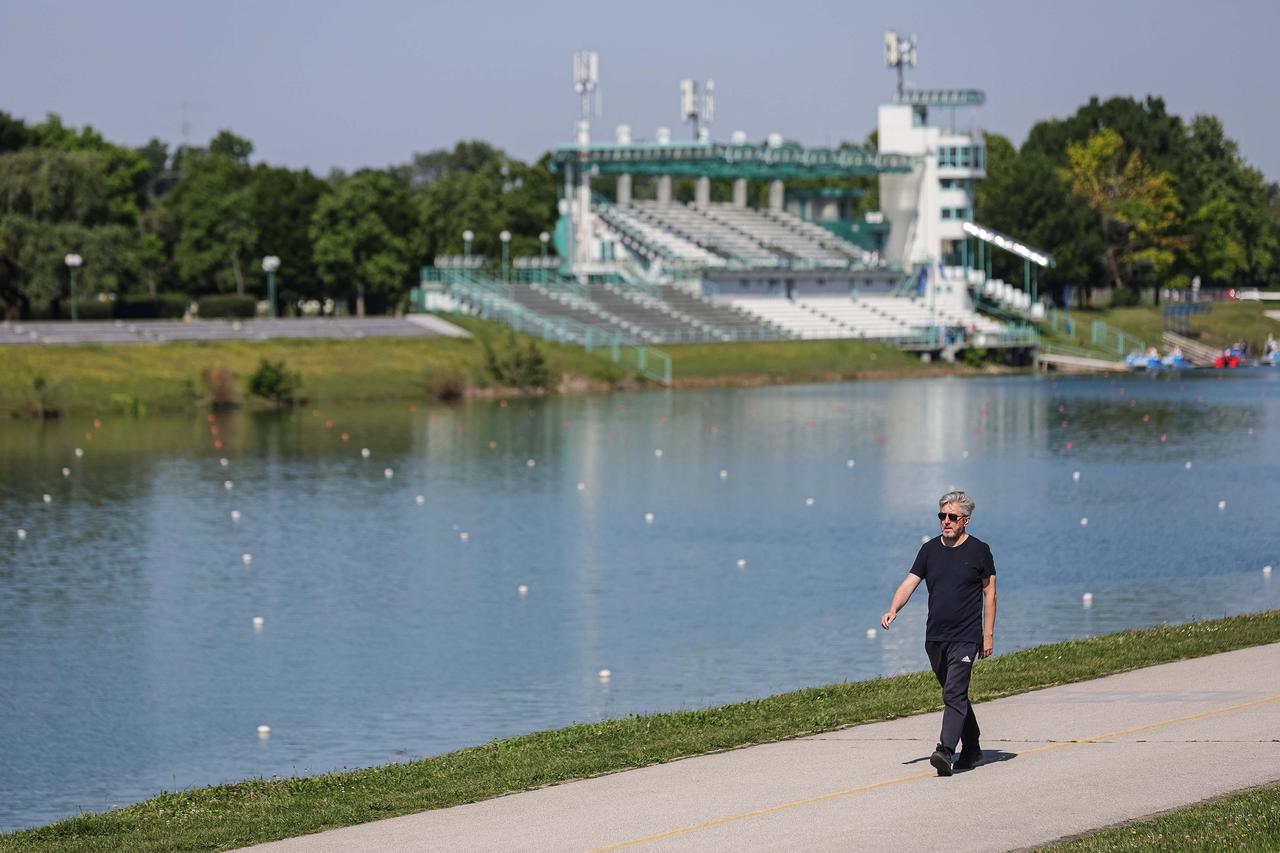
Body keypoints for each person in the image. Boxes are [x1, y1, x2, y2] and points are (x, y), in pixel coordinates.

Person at [880, 491, 997, 776]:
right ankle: (972, 746)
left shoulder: (979, 550)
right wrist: (894, 608)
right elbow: (910, 582)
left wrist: (987, 635)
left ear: (965, 521)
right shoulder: (929, 550)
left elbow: (990, 593)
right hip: (935, 637)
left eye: (952, 517)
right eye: (942, 516)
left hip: (966, 636)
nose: (946, 521)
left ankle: (945, 751)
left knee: (954, 694)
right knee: (953, 693)